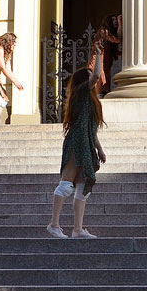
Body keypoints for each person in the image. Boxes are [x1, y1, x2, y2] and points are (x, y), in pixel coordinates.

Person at [47, 48, 108, 239]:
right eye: (89, 78)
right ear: (84, 81)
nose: (94, 82)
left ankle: (77, 230)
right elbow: (97, 74)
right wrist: (99, 54)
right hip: (76, 142)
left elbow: (91, 128)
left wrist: (100, 149)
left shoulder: (88, 101)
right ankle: (54, 225)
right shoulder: (80, 93)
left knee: (83, 189)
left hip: (87, 143)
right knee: (66, 185)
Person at [88, 14, 121, 97]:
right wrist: (120, 23)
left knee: (105, 86)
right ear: (108, 22)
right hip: (98, 60)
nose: (115, 21)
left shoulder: (109, 33)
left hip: (106, 63)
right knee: (99, 82)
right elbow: (117, 40)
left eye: (116, 20)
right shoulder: (104, 31)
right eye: (113, 20)